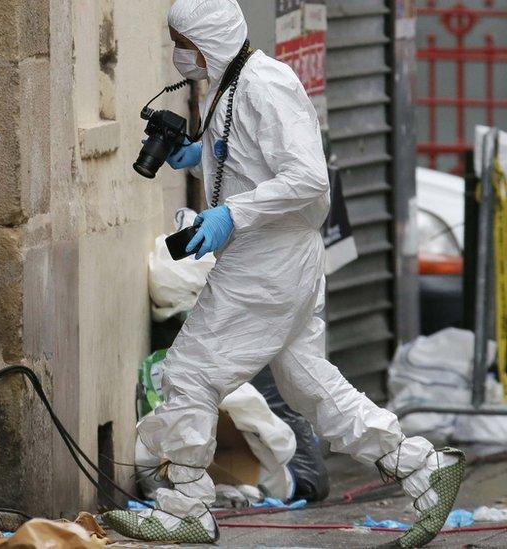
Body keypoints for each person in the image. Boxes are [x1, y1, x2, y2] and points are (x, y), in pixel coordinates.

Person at [103, 1, 465, 546]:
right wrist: (199, 154)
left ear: (209, 41)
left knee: (189, 373)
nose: (181, 55)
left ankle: (184, 509)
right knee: (309, 386)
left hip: (268, 263)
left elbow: (308, 179)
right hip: (270, 259)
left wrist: (232, 214)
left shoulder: (265, 85)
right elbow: (252, 158)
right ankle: (422, 468)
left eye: (185, 42)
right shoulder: (234, 83)